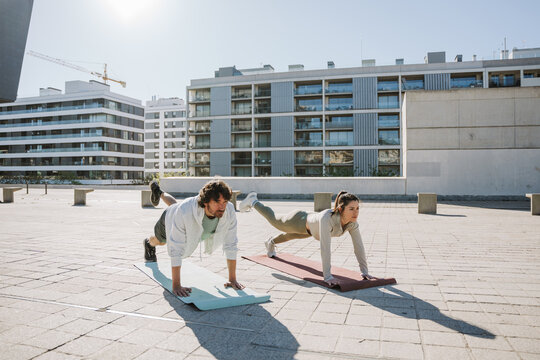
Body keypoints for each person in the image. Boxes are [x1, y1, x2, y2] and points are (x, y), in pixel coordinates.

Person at [238, 190, 375, 286]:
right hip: (299, 219)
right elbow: (325, 248)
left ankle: (271, 242)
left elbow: (359, 246)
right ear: (340, 209)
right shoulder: (327, 218)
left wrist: (365, 272)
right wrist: (327, 276)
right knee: (275, 221)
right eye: (351, 209)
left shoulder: (352, 223)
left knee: (289, 236)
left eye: (357, 208)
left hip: (310, 230)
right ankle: (254, 200)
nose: (355, 212)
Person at [144, 179, 244, 297]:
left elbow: (231, 244)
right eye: (217, 202)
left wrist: (232, 279)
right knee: (160, 241)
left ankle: (158, 191)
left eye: (225, 202)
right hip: (169, 219)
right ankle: (148, 243)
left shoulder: (228, 210)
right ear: (206, 202)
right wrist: (176, 285)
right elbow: (176, 247)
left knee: (176, 206)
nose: (222, 207)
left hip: (180, 212)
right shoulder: (184, 211)